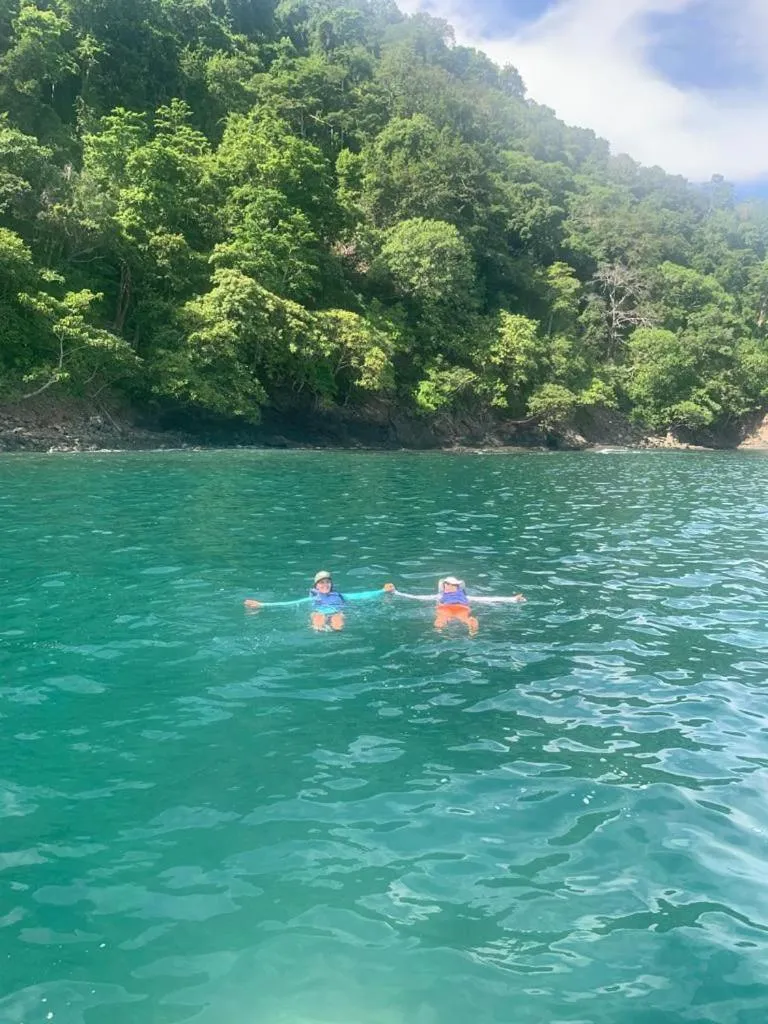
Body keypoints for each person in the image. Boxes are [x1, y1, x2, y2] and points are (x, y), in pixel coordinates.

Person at [244, 570, 392, 632]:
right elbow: (289, 603)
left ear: (331, 584)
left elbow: (362, 595)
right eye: (321, 583)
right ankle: (320, 631)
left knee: (338, 624)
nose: (325, 585)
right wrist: (261, 605)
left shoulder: (340, 596)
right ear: (316, 586)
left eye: (328, 582)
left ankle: (334, 637)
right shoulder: (314, 597)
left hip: (336, 611)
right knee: (318, 622)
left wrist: (382, 590)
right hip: (319, 611)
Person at [390, 576, 525, 636]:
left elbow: (417, 597)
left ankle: (440, 631)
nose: (448, 586)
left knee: (441, 620)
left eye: (450, 585)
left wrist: (395, 592)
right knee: (463, 619)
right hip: (462, 608)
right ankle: (471, 624)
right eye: (448, 584)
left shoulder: (440, 596)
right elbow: (488, 599)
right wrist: (513, 599)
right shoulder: (465, 597)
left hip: (446, 608)